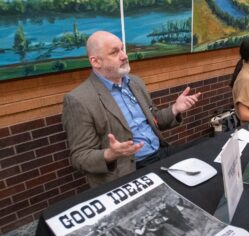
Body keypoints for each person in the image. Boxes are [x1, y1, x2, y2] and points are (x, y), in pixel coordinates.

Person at [62, 31, 200, 187]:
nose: (124, 56)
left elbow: (154, 120)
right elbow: (80, 157)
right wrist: (110, 154)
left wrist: (175, 109)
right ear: (96, 62)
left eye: (122, 49)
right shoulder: (79, 100)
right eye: (115, 52)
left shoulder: (135, 82)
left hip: (161, 154)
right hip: (128, 171)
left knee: (203, 162)